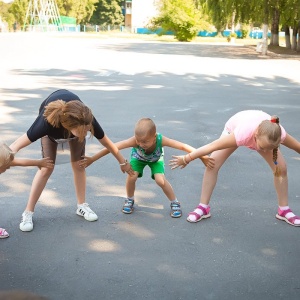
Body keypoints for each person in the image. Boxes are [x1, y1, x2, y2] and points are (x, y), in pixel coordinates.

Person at [9, 89, 132, 232]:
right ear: (69, 127)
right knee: (47, 168)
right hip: (52, 133)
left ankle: (82, 206)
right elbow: (15, 145)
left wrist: (122, 162)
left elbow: (106, 142)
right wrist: (4, 156)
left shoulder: (86, 119)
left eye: (88, 130)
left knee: (80, 165)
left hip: (74, 127)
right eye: (83, 131)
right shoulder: (46, 122)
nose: (86, 133)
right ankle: (28, 212)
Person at [169, 110, 300, 227]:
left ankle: (284, 210)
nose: (265, 151)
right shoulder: (242, 134)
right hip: (236, 125)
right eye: (262, 147)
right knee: (212, 163)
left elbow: (297, 147)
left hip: (263, 133)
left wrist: (267, 147)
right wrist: (186, 158)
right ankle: (203, 207)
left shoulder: (278, 134)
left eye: (269, 149)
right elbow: (211, 146)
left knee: (281, 169)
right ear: (256, 135)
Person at [79, 118, 214, 217]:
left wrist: (202, 156)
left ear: (154, 137)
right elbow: (112, 147)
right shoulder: (135, 141)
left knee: (160, 180)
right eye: (138, 140)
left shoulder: (161, 140)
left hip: (155, 159)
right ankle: (130, 199)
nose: (141, 144)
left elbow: (183, 146)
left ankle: (175, 202)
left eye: (145, 141)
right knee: (132, 176)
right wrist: (93, 159)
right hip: (138, 159)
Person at [0, 141, 54, 238]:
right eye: (6, 166)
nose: (9, 167)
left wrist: (38, 162)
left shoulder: (2, 162)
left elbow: (19, 162)